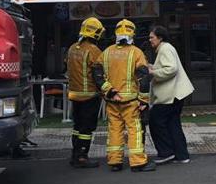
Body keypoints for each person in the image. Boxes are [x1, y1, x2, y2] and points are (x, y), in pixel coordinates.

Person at [101, 19, 156, 172]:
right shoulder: (136, 52)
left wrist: (110, 91)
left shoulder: (106, 52)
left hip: (112, 100)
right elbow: (144, 78)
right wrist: (143, 100)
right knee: (135, 130)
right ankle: (138, 162)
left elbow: (97, 75)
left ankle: (115, 162)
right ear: (133, 33)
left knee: (114, 130)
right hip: (131, 101)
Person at [148, 26, 195, 165]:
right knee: (173, 124)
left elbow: (171, 68)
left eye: (152, 37)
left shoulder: (165, 48)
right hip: (177, 94)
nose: (150, 39)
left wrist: (152, 72)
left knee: (156, 121)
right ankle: (181, 155)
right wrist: (153, 67)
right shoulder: (167, 48)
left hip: (170, 95)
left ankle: (166, 152)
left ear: (160, 37)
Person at [65, 17, 106, 168]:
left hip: (75, 94)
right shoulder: (93, 50)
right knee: (86, 128)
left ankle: (75, 154)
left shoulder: (72, 48)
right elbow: (99, 72)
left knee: (77, 126)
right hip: (89, 95)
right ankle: (82, 156)